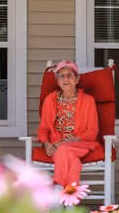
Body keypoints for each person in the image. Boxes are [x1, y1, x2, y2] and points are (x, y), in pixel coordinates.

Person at [38, 60, 100, 189]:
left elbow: (92, 131)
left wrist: (74, 139)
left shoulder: (88, 101)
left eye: (70, 75)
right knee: (73, 162)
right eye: (62, 76)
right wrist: (46, 144)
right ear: (57, 80)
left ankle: (58, 189)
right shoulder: (50, 100)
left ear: (77, 79)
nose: (65, 79)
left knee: (63, 149)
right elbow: (43, 128)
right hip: (56, 146)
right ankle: (71, 200)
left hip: (81, 144)